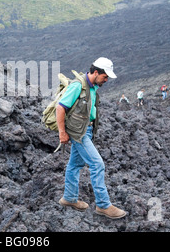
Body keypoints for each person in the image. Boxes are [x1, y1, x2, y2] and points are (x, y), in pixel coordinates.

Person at [56, 57, 127, 219]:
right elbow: (60, 108)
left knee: (75, 164)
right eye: (105, 76)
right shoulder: (78, 86)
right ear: (96, 72)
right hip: (78, 133)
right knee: (97, 163)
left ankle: (69, 198)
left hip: (85, 130)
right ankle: (103, 205)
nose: (107, 79)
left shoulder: (93, 86)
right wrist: (62, 132)